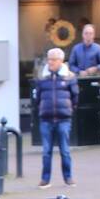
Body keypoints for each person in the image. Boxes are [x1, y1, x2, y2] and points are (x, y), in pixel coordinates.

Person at [33, 47, 78, 188]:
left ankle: (68, 177)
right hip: (46, 119)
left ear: (61, 61)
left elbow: (75, 96)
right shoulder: (42, 77)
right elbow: (37, 97)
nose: (50, 62)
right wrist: (41, 109)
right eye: (49, 59)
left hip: (63, 118)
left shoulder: (69, 77)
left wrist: (69, 110)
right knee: (46, 151)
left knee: (65, 150)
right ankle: (45, 179)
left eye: (53, 59)